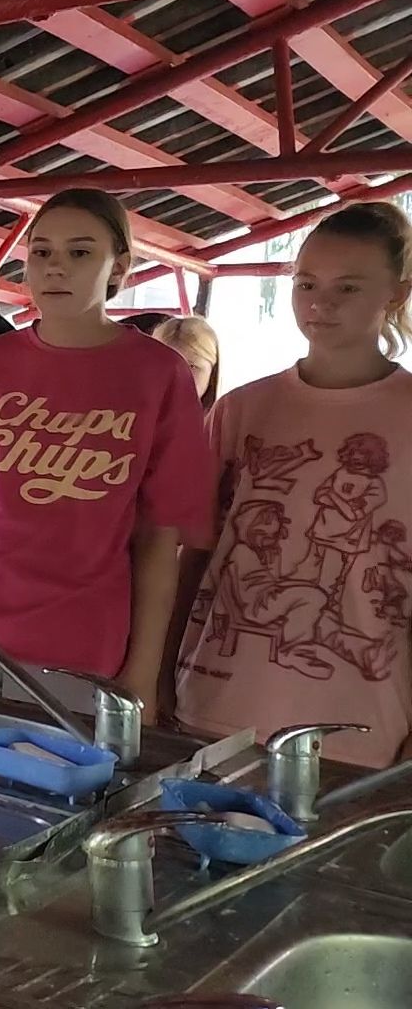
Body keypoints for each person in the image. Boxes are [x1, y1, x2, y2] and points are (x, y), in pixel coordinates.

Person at [0, 188, 212, 722]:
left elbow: (159, 537)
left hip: (81, 643)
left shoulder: (158, 374)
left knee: (51, 793)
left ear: (119, 267)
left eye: (80, 252)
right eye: (42, 251)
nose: (55, 268)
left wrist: (143, 669)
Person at [167, 203, 412, 768]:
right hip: (214, 705)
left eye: (347, 288)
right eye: (306, 284)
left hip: (361, 727)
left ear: (395, 295)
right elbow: (195, 553)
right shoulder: (241, 410)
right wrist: (159, 673)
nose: (319, 303)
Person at [153, 315, 222, 409]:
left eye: (192, 366)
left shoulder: (228, 421)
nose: (178, 377)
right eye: (168, 365)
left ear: (212, 373)